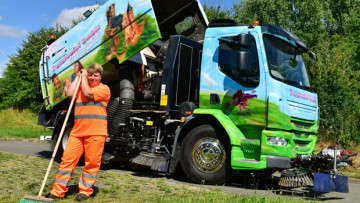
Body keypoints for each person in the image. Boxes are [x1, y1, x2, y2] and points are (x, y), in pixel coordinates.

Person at [46, 64, 111, 201]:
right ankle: (57, 191)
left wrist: (85, 77)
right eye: (91, 75)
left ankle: (85, 191)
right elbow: (70, 93)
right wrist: (79, 76)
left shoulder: (104, 89)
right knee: (66, 161)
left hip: (96, 132)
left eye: (95, 75)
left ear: (100, 77)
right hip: (77, 132)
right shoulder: (80, 89)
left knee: (91, 163)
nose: (93, 78)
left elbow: (88, 93)